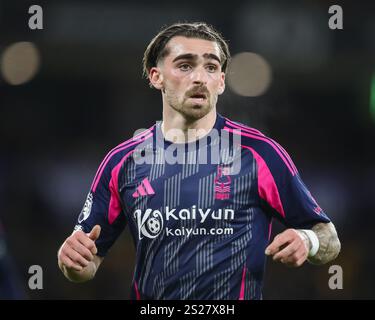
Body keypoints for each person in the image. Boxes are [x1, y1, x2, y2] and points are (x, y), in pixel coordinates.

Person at [57, 22, 341, 299]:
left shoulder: (260, 153)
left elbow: (328, 236)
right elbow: (86, 263)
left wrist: (309, 240)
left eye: (211, 67)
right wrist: (71, 262)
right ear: (156, 76)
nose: (199, 77)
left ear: (221, 82)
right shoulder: (123, 161)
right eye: (185, 65)